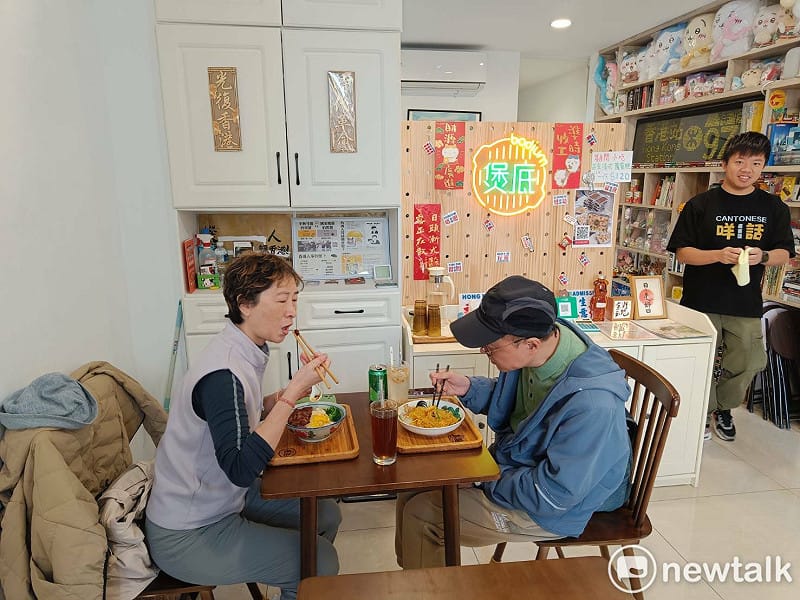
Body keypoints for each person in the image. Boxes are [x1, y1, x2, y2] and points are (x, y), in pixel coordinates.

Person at [395, 275, 632, 569]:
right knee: (411, 484)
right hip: (518, 469)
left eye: (490, 346)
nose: (484, 351)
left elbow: (554, 495)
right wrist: (469, 387)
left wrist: (485, 477)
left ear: (530, 344)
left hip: (553, 506)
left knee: (424, 516)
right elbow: (522, 404)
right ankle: (416, 582)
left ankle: (422, 586)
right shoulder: (546, 347)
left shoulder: (593, 405)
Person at [145, 253, 341, 600]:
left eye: (294, 299)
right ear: (244, 304)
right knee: (320, 561)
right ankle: (299, 576)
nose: (291, 311)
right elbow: (240, 466)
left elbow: (241, 413)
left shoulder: (243, 347)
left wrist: (278, 397)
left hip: (221, 499)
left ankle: (292, 581)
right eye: (281, 300)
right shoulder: (223, 372)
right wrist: (293, 394)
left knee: (324, 515)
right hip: (189, 530)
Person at [667, 131, 795, 442]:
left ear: (763, 167)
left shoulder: (773, 207)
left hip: (744, 302)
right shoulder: (700, 204)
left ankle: (721, 407)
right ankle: (700, 410)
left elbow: (784, 254)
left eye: (756, 163)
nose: (747, 169)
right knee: (701, 359)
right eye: (739, 161)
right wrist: (717, 255)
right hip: (701, 300)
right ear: (725, 163)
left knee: (749, 360)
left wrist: (761, 255)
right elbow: (682, 252)